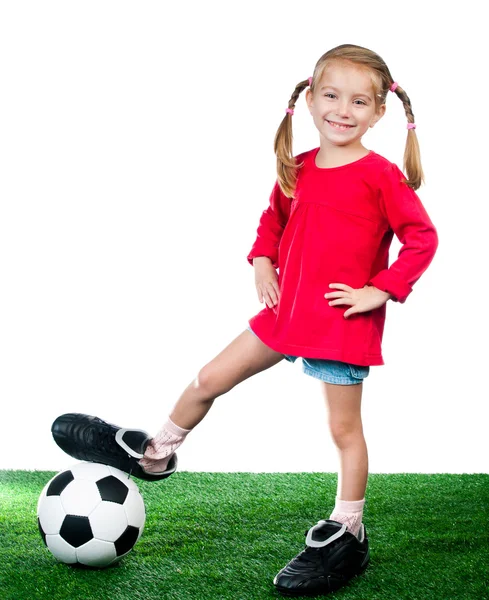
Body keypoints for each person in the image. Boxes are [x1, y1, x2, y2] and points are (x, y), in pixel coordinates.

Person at [52, 43, 439, 596]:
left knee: (343, 431)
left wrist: (380, 290)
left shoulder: (381, 176)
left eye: (359, 102)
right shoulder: (299, 166)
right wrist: (262, 261)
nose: (342, 110)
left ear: (379, 112)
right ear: (309, 99)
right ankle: (156, 454)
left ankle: (348, 530)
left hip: (336, 325)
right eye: (331, 95)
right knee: (208, 379)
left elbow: (422, 239)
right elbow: (273, 220)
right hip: (286, 316)